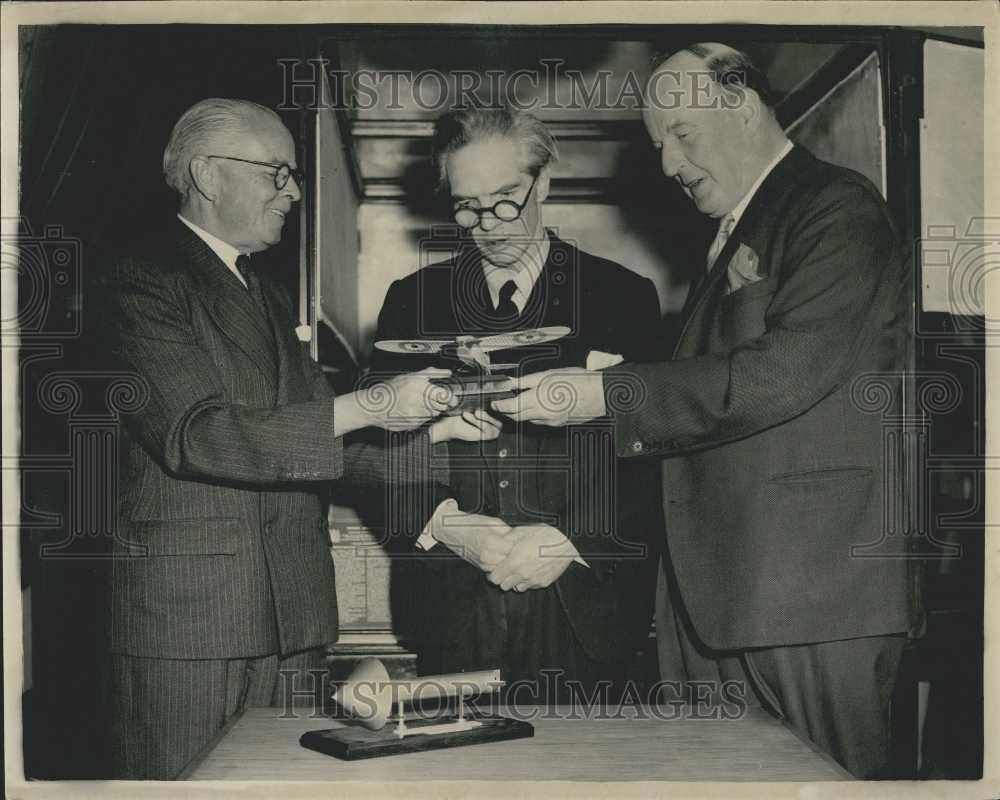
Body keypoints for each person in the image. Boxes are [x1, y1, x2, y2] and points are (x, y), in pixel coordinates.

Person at [493, 44, 919, 777]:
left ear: (743, 108)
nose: (667, 162)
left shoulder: (836, 208)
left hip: (808, 598)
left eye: (682, 133)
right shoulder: (735, 234)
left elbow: (781, 375)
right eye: (659, 143)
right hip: (725, 602)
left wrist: (607, 394)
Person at [101, 98, 504, 779]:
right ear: (207, 174)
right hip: (191, 626)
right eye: (277, 172)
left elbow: (320, 444)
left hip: (294, 622)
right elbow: (198, 435)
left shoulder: (266, 294)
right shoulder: (139, 280)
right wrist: (374, 402)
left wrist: (432, 431)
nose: (292, 192)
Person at [371, 106, 664, 703]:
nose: (488, 226)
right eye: (467, 206)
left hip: (584, 608)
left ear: (543, 182)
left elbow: (656, 451)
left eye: (506, 200)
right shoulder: (410, 301)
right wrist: (447, 525)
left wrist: (570, 540)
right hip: (453, 607)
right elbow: (373, 448)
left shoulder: (623, 297)